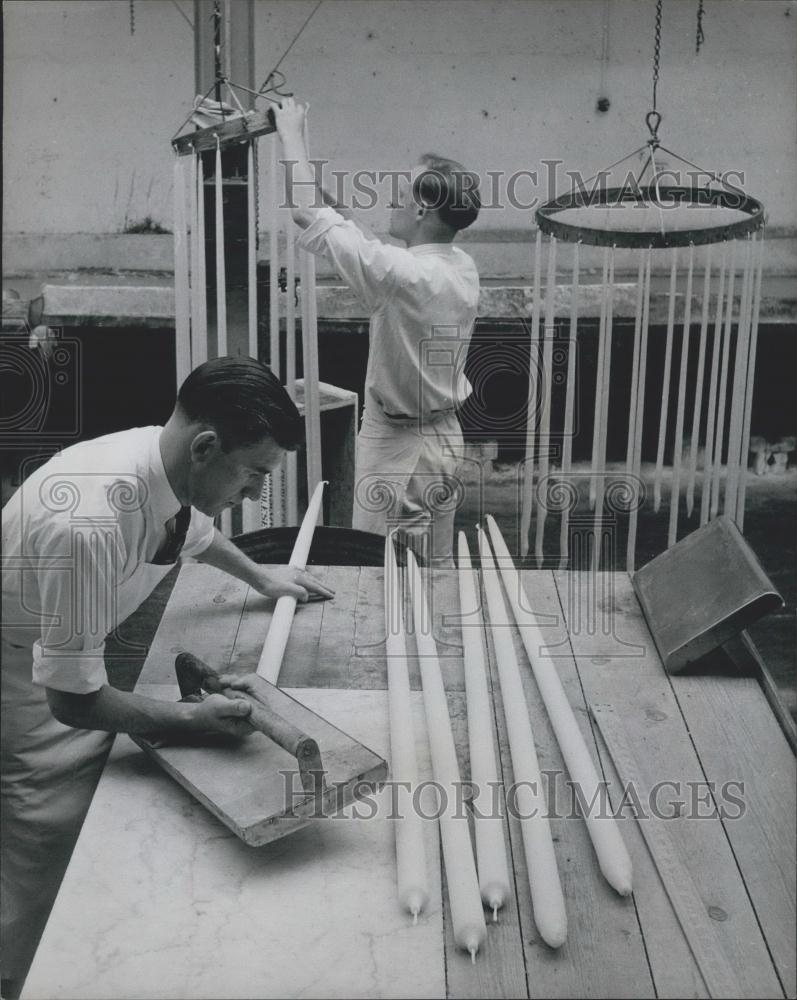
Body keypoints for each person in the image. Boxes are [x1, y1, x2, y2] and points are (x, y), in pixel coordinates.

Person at [0, 355, 334, 997]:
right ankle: (23, 978)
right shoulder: (91, 522)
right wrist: (188, 721)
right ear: (206, 446)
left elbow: (194, 535)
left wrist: (263, 576)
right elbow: (71, 699)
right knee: (45, 844)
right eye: (255, 474)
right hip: (17, 670)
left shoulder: (164, 465)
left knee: (102, 829)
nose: (258, 495)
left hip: (57, 654)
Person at [275, 97, 481, 564]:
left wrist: (289, 132)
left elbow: (306, 214)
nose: (391, 200)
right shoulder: (459, 266)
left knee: (381, 575)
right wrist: (306, 153)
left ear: (424, 209)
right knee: (435, 569)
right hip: (443, 440)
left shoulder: (401, 276)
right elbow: (353, 235)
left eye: (401, 194)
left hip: (400, 449)